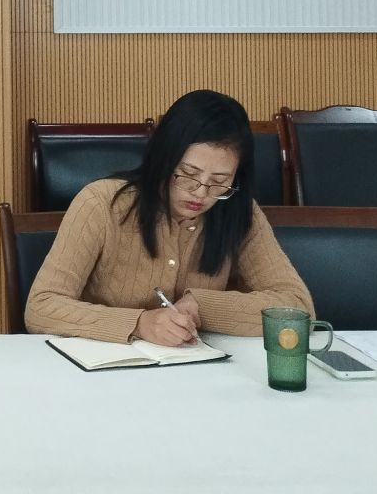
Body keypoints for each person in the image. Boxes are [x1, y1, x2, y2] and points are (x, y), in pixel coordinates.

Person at [25, 88, 311, 344]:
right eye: (187, 174)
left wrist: (203, 306)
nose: (200, 192)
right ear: (163, 158)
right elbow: (41, 306)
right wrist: (138, 324)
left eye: (219, 181)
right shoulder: (101, 204)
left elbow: (298, 308)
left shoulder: (240, 211)